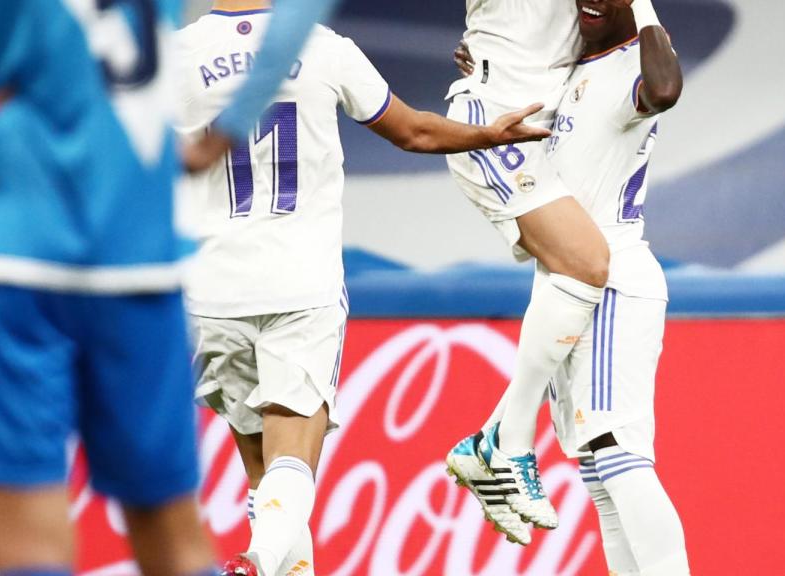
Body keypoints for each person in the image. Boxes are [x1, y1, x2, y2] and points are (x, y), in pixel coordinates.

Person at [0, 0, 348, 575]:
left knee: (29, 540)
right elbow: (301, 13)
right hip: (136, 261)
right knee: (172, 537)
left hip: (8, 250)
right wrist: (221, 135)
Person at [175, 2, 551, 574]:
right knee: (292, 469)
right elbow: (414, 131)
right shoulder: (323, 48)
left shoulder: (178, 58)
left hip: (211, 293)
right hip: (300, 288)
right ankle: (252, 563)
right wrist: (489, 133)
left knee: (267, 487)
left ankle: (261, 558)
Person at [441, 0, 613, 545]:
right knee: (586, 263)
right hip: (495, 121)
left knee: (570, 279)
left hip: (539, 128)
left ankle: (489, 441)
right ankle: (511, 443)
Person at [545, 1, 689, 573]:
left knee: (619, 454)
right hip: (568, 280)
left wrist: (645, 8)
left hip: (611, 274)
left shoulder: (638, 61)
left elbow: (665, 89)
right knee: (598, 468)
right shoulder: (575, 68)